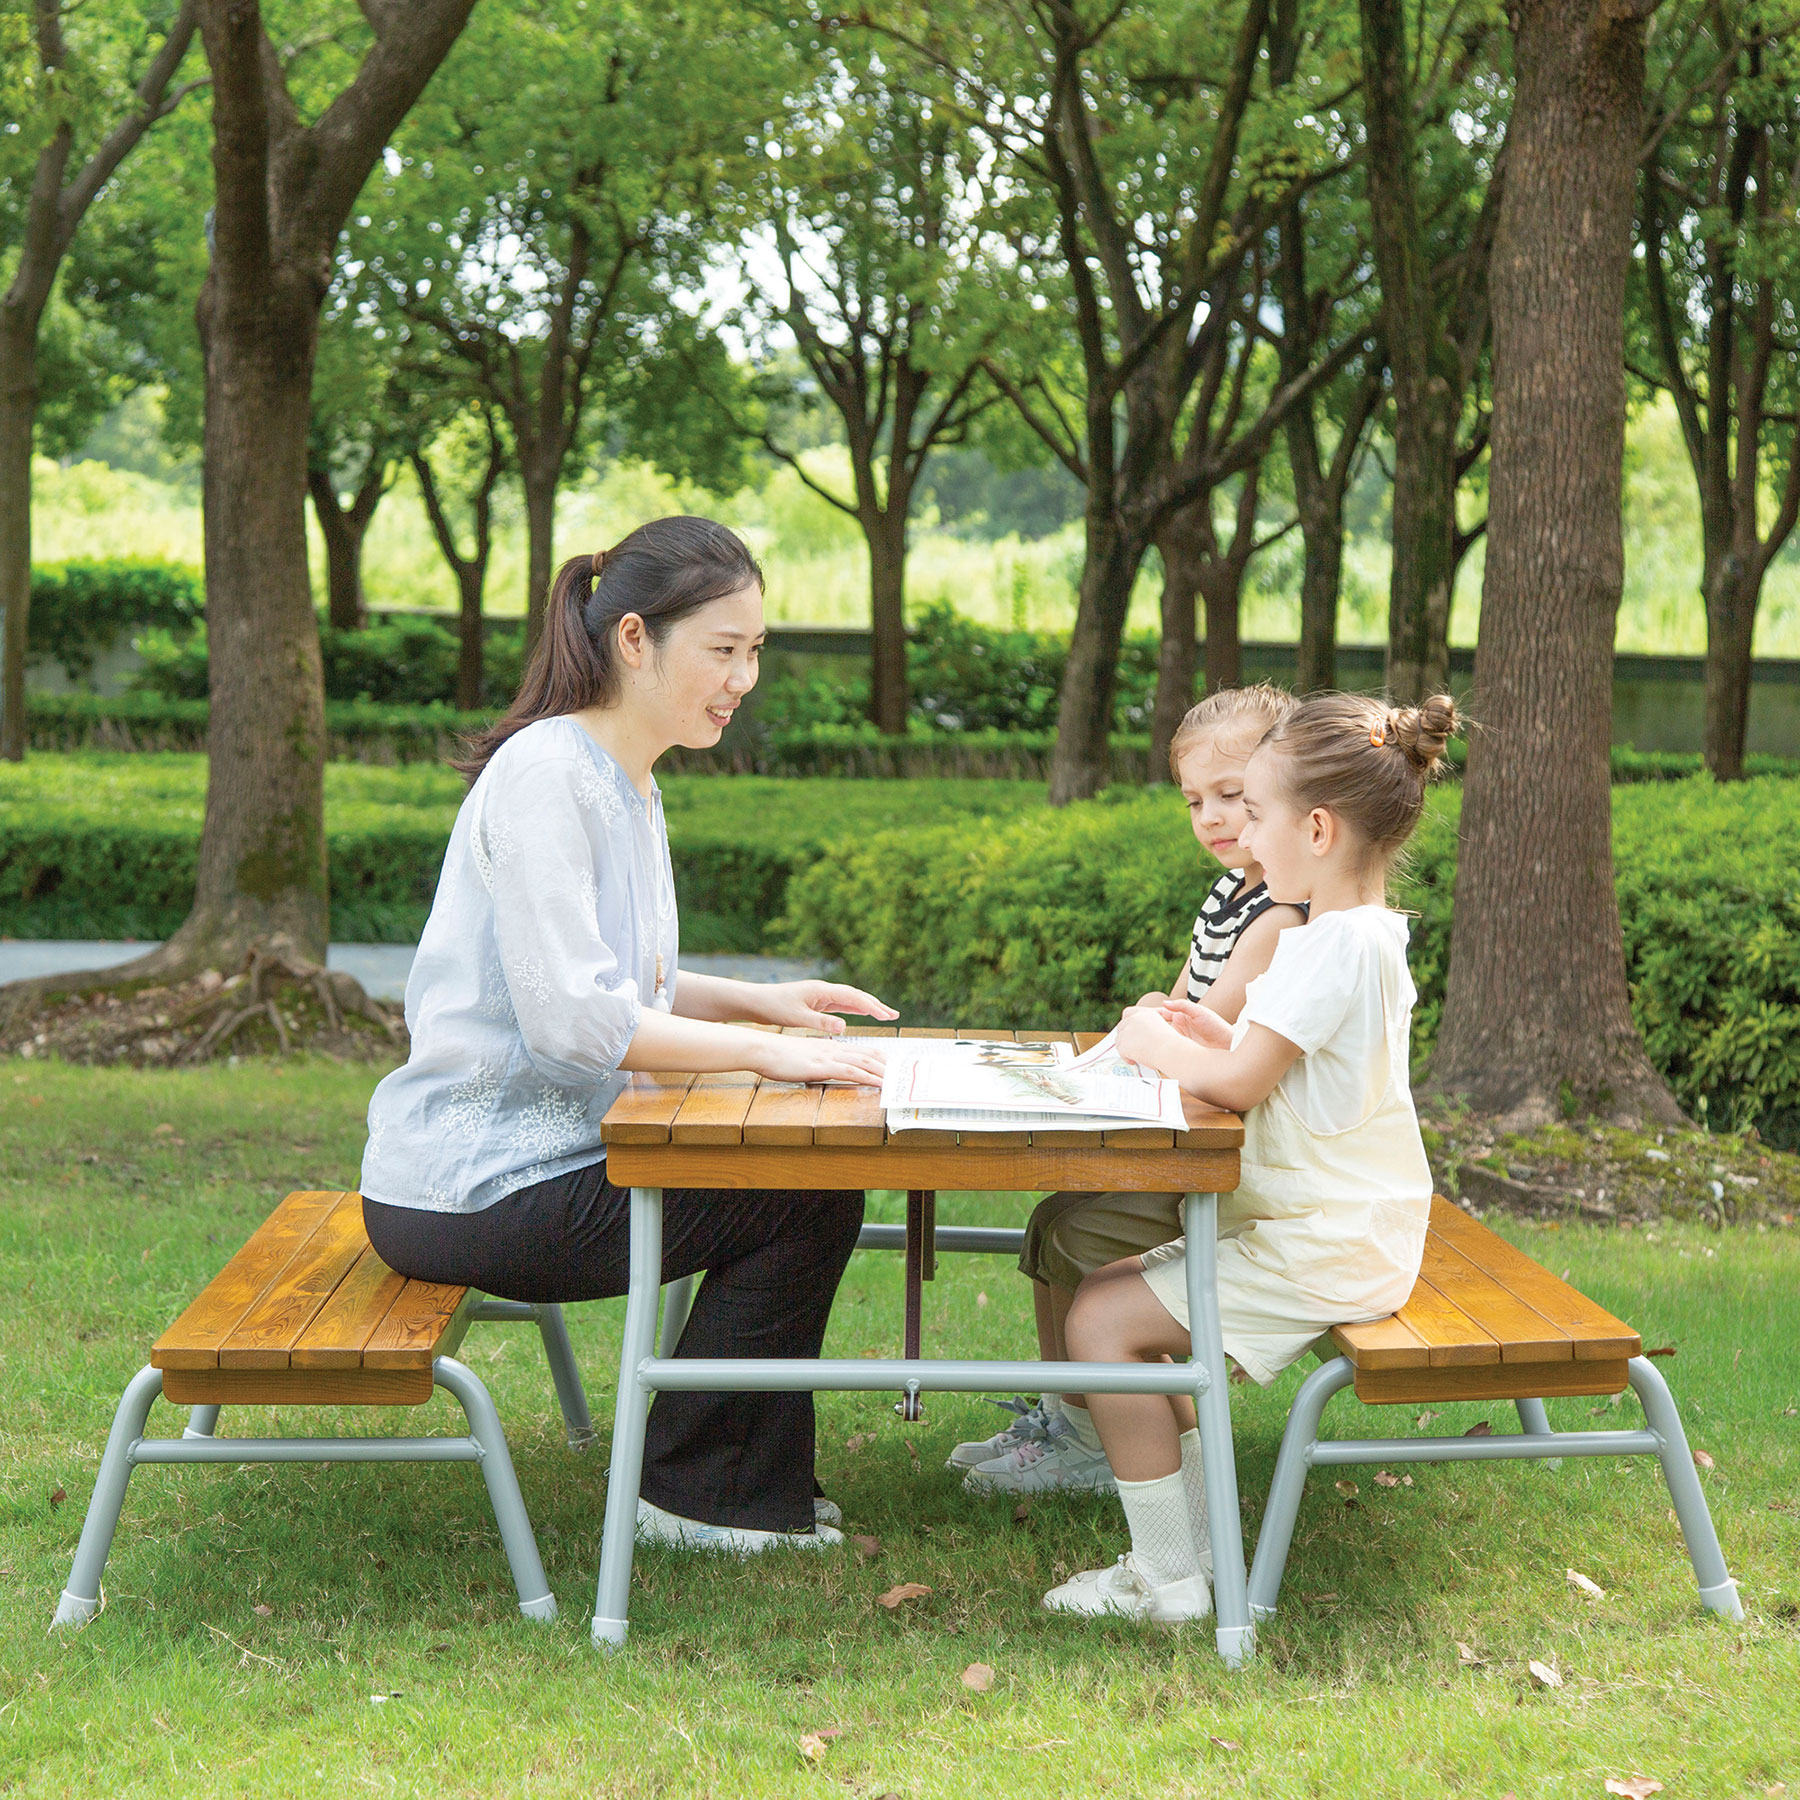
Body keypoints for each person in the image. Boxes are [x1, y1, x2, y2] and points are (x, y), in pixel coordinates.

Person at [358, 517, 896, 1555]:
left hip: (530, 1163)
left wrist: (760, 1002)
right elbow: (572, 1020)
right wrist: (766, 1055)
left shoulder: (624, 776)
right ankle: (699, 1493)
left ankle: (717, 1477)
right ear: (637, 639)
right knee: (803, 1188)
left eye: (755, 653)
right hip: (473, 1187)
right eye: (723, 650)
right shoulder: (549, 775)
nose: (742, 679)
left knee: (808, 1182)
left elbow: (614, 978)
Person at [1041, 691, 1458, 1624]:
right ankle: (1194, 1552)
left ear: (1315, 827)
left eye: (1256, 812)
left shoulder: (1317, 947)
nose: (1243, 835)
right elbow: (1257, 1056)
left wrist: (1156, 1043)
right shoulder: (1362, 935)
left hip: (1326, 1242)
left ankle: (1168, 1578)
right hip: (1344, 1228)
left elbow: (1235, 1085)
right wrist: (1201, 1027)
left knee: (1104, 1324)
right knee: (1112, 1298)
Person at [952, 685, 1305, 1496]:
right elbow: (1184, 1007)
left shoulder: (1281, 915)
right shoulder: (1230, 898)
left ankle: (1109, 1448)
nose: (1213, 818)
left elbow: (1201, 1038)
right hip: (1197, 1137)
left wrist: (1155, 1028)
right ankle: (1073, 1420)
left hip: (1238, 1164)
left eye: (1234, 797)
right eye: (1195, 801)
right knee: (1053, 1222)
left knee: (1082, 1234)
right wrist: (1153, 1015)